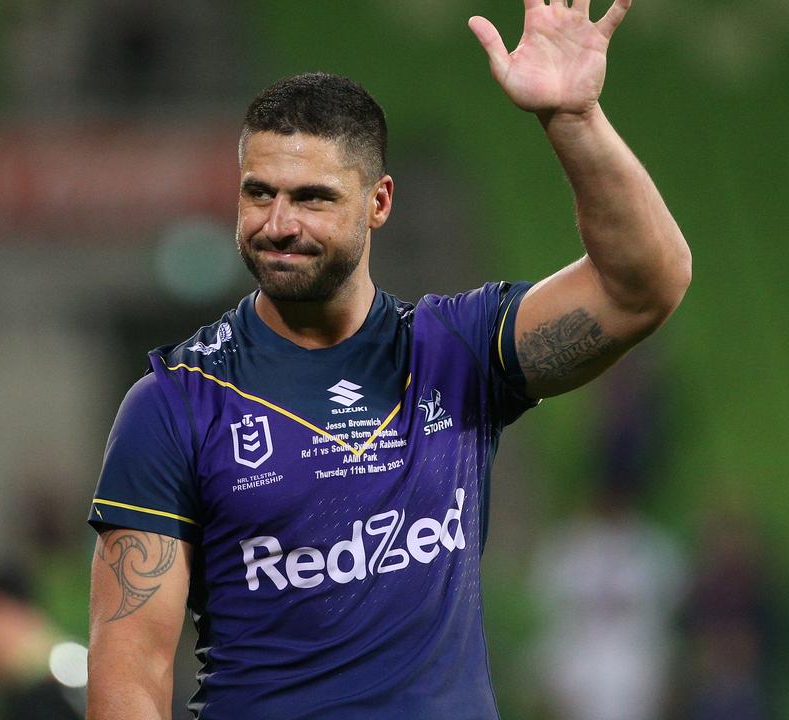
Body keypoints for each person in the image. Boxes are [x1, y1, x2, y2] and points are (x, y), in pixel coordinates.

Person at [86, 1, 691, 718]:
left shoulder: (457, 353)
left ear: (378, 203)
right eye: (259, 194)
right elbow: (133, 666)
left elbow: (643, 286)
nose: (278, 224)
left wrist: (574, 120)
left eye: (312, 198)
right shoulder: (175, 402)